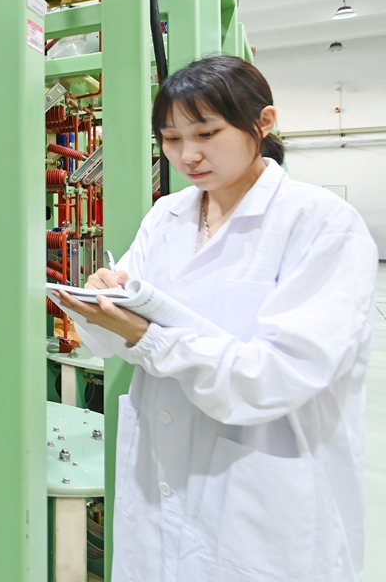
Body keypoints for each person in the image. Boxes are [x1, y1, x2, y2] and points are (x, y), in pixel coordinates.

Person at [56, 55, 377, 582]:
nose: (188, 155)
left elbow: (274, 376)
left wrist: (149, 339)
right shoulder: (167, 215)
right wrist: (101, 301)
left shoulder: (321, 224)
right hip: (160, 478)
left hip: (263, 487)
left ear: (263, 122)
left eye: (206, 133)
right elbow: (111, 340)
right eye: (171, 138)